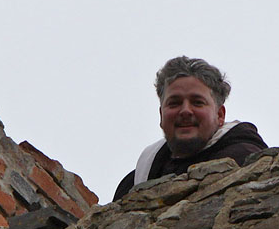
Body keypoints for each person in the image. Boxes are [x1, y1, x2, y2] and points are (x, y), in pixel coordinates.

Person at [113, 56, 268, 201]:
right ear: (161, 115)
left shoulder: (244, 161)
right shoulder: (136, 182)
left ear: (220, 115)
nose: (185, 111)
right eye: (174, 103)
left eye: (197, 102)